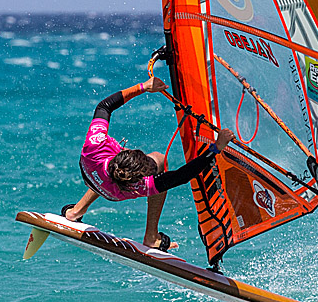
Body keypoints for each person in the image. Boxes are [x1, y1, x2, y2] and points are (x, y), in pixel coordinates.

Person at [62, 76, 236, 251]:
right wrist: (216, 148)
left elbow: (104, 106)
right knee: (159, 160)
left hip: (89, 173)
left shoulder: (95, 146)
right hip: (114, 194)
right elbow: (183, 175)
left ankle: (76, 211)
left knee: (106, 174)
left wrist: (143, 87)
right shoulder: (141, 186)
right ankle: (151, 236)